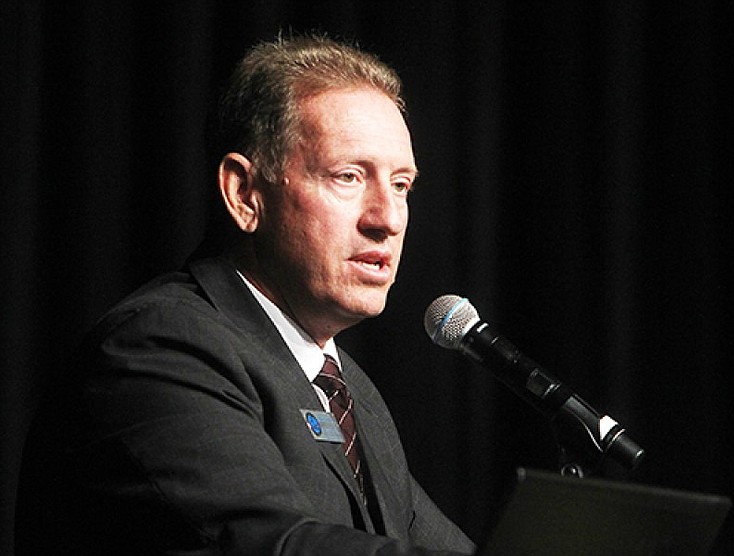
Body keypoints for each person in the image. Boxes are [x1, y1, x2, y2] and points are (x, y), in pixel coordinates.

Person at [15, 35, 475, 555]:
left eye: (400, 186)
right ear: (244, 194)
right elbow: (268, 545)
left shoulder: (353, 396)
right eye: (348, 176)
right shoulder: (160, 349)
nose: (387, 220)